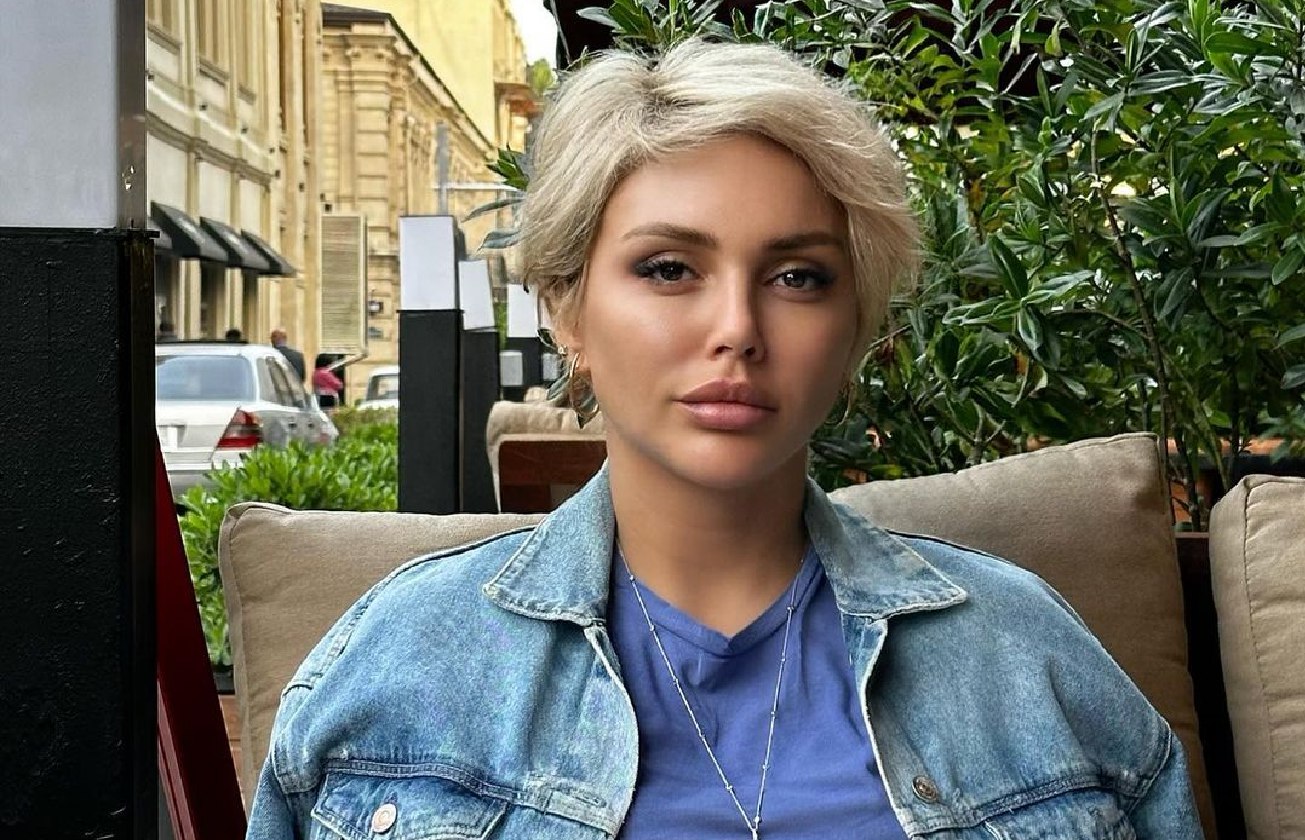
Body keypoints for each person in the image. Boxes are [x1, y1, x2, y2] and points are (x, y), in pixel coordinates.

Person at [247, 40, 1202, 838]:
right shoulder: (402, 666)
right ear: (566, 308)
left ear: (855, 327)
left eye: (798, 277)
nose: (737, 328)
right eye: (669, 268)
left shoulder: (1024, 655)